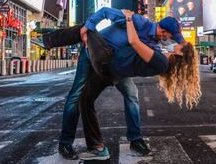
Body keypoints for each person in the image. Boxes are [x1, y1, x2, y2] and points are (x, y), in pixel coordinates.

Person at [37, 7, 186, 159]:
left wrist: (185, 54)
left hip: (115, 67)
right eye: (171, 36)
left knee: (131, 94)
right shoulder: (139, 21)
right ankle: (65, 143)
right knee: (76, 95)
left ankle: (135, 139)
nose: (171, 39)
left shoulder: (155, 46)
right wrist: (88, 26)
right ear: (163, 30)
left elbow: (172, 49)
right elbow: (105, 12)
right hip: (93, 52)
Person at [78, 9, 201, 160]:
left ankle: (101, 147)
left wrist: (129, 19)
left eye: (175, 43)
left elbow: (134, 42)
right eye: (172, 37)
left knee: (86, 99)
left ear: (179, 55)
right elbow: (107, 13)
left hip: (111, 67)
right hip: (118, 69)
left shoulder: (160, 59)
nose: (173, 42)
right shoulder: (158, 49)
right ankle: (135, 140)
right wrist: (186, 50)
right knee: (132, 94)